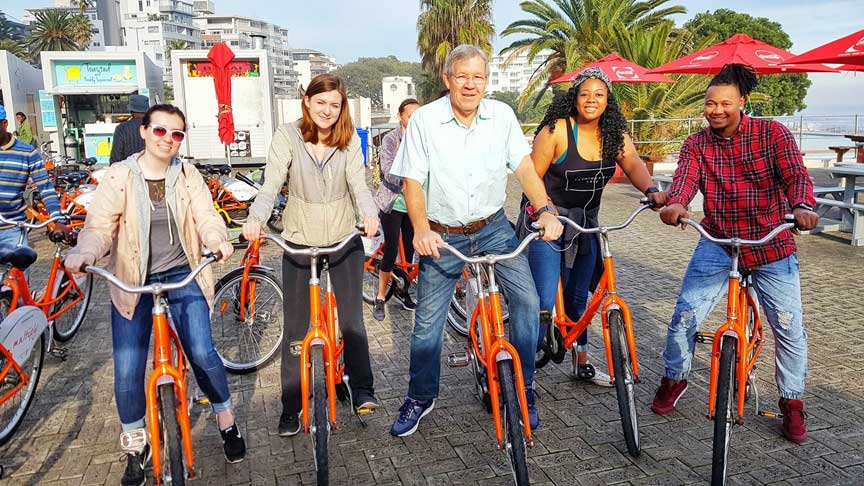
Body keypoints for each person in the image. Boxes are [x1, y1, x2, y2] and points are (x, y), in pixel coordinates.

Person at [64, 104, 246, 486]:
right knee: (128, 367)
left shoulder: (188, 174)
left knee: (202, 352)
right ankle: (135, 444)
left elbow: (206, 215)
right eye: (161, 131)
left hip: (183, 274)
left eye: (176, 134)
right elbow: (99, 227)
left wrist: (215, 239)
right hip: (134, 281)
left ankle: (226, 420)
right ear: (144, 131)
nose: (168, 140)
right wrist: (86, 252)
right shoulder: (118, 177)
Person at [388, 44, 564, 436]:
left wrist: (546, 209)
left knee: (528, 301)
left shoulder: (501, 115)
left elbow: (523, 167)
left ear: (487, 81)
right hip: (443, 233)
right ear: (448, 80)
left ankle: (525, 386)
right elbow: (412, 181)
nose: (470, 85)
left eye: (478, 77)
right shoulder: (425, 122)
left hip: (494, 227)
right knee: (428, 323)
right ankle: (420, 396)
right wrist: (420, 229)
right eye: (462, 76)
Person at [652, 64, 818, 444]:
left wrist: (803, 206)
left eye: (725, 103)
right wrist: (676, 205)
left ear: (742, 102)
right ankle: (675, 378)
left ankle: (792, 402)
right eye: (710, 103)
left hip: (770, 243)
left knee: (789, 326)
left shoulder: (772, 133)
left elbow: (795, 175)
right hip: (718, 241)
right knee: (684, 316)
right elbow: (684, 181)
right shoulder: (696, 144)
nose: (716, 110)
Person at [242, 73, 381, 436]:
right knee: (296, 327)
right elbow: (271, 184)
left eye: (335, 105)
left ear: (342, 107)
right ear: (307, 101)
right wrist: (255, 218)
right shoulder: (287, 136)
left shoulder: (348, 140)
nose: (327, 111)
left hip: (341, 239)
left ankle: (361, 388)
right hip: (298, 241)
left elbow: (359, 185)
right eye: (321, 103)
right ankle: (291, 405)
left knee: (352, 320)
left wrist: (369, 215)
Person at [524, 67, 667, 384]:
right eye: (585, 94)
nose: (591, 100)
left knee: (578, 299)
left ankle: (581, 361)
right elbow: (530, 177)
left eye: (599, 95)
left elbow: (631, 163)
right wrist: (544, 212)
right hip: (546, 220)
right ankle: (523, 375)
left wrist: (652, 191)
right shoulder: (557, 130)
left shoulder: (614, 133)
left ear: (608, 100)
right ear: (573, 98)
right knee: (544, 302)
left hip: (587, 225)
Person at [371, 98, 421, 321]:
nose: (414, 120)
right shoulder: (391, 139)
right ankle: (380, 297)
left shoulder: (422, 140)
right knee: (391, 250)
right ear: (401, 116)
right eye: (411, 116)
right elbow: (388, 172)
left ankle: (403, 291)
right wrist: (411, 175)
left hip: (414, 203)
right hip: (393, 202)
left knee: (409, 252)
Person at [0, 105, 65, 248]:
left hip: (12, 229)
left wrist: (57, 218)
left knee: (17, 269)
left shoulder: (27, 153)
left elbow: (46, 189)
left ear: (4, 124)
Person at [110, 94, 150, 164]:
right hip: (151, 171)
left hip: (128, 171)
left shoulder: (122, 128)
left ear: (131, 111)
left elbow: (116, 157)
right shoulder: (154, 127)